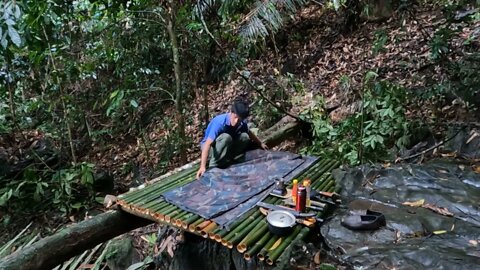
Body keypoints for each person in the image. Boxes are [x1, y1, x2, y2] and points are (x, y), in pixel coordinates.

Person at [196, 100, 268, 179]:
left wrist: (260, 143)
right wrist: (202, 166)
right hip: (212, 149)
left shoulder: (240, 123)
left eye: (239, 119)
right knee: (226, 138)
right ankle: (214, 166)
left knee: (244, 136)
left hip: (225, 147)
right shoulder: (220, 122)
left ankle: (229, 159)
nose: (236, 121)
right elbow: (207, 144)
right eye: (235, 117)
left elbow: (249, 133)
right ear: (231, 113)